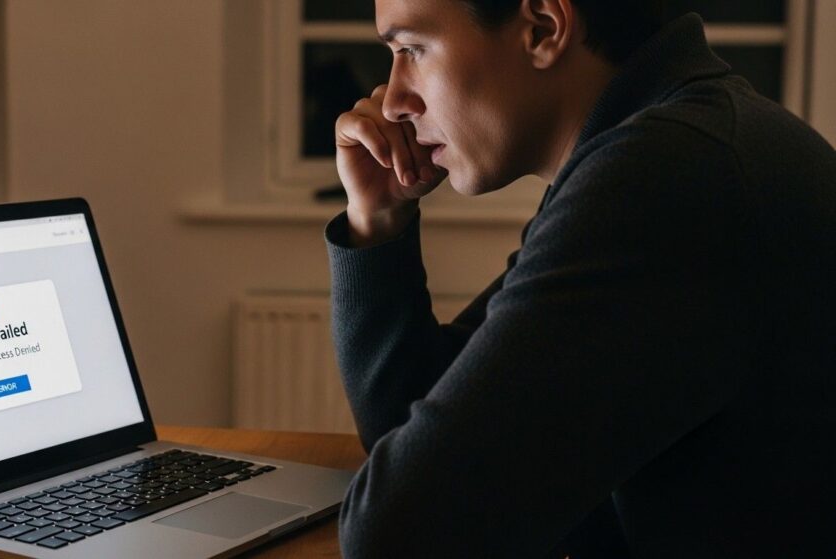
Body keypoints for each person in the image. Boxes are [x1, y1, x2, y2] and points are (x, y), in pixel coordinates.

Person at [325, 0, 836, 557]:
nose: (393, 101)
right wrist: (377, 219)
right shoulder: (678, 143)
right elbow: (420, 436)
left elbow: (404, 531)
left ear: (544, 29)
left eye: (413, 49)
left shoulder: (670, 176)